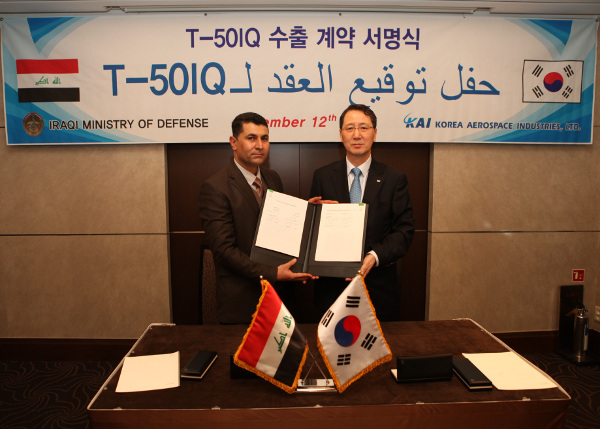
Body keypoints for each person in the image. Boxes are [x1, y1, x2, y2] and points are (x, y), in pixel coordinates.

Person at [199, 112, 314, 324]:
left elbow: (278, 226)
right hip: (242, 304)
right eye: (251, 138)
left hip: (280, 299)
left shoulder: (273, 178)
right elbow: (225, 251)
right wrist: (273, 273)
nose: (259, 145)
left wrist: (308, 212)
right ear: (234, 142)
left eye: (265, 138)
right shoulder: (215, 187)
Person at [310, 104, 415, 321]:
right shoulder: (322, 176)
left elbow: (404, 231)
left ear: (374, 134)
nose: (357, 135)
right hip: (332, 291)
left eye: (364, 128)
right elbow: (312, 231)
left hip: (378, 291)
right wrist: (310, 213)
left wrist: (373, 256)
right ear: (341, 134)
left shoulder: (394, 178)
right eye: (350, 128)